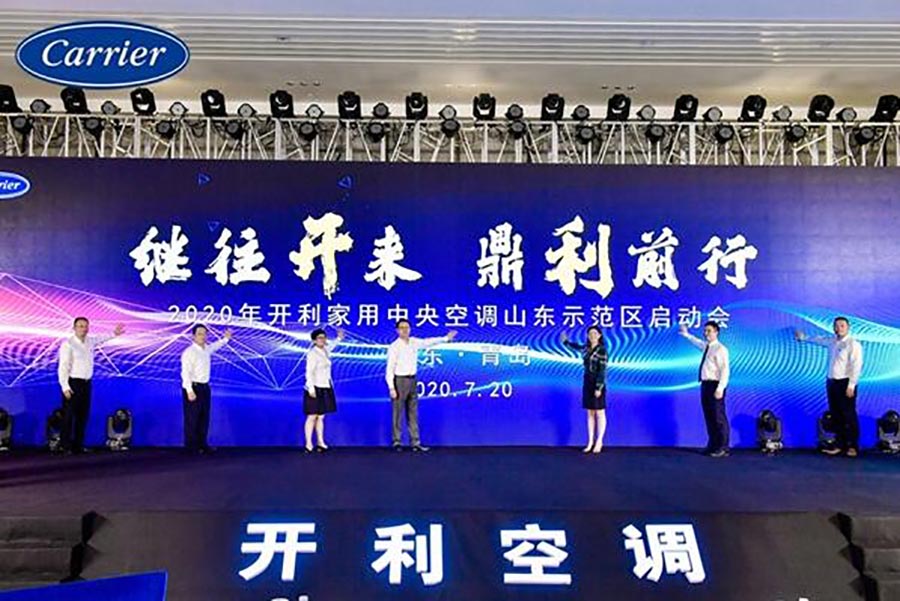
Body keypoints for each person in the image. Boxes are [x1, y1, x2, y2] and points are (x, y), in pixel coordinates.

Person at [795, 317, 863, 457]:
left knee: (848, 415)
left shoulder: (853, 344)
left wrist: (851, 385)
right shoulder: (832, 341)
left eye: (842, 326)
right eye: (836, 326)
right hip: (832, 382)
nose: (839, 328)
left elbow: (856, 366)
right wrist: (803, 338)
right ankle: (839, 445)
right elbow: (818, 340)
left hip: (845, 383)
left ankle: (852, 446)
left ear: (848, 327)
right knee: (836, 414)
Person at [385, 319, 457, 452]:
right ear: (397, 330)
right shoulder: (394, 346)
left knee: (413, 413)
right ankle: (397, 441)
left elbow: (428, 342)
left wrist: (445, 338)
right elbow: (389, 368)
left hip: (412, 380)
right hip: (400, 381)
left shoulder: (414, 342)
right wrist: (391, 387)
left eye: (407, 327)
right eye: (402, 328)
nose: (405, 330)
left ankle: (415, 442)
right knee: (397, 413)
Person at [57, 317, 124, 454]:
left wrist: (114, 334)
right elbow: (63, 367)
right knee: (69, 416)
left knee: (82, 416)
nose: (84, 329)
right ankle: (65, 446)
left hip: (86, 383)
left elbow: (101, 339)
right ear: (74, 328)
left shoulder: (89, 341)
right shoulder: (68, 344)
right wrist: (65, 386)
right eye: (80, 326)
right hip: (73, 383)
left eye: (86, 326)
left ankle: (78, 445)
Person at [679, 321, 731, 457]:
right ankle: (712, 445)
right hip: (706, 385)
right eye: (705, 331)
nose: (706, 333)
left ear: (716, 332)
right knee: (709, 417)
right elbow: (697, 342)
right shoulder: (708, 347)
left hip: (715, 385)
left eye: (709, 331)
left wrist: (720, 388)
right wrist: (686, 334)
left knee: (718, 417)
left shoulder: (720, 349)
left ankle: (723, 447)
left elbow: (725, 370)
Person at [180, 324, 232, 454]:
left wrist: (225, 339)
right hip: (193, 388)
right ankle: (191, 448)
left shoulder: (206, 349)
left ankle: (202, 444)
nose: (203, 336)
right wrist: (189, 390)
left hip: (205, 388)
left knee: (204, 418)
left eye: (205, 334)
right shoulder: (189, 352)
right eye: (199, 334)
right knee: (192, 419)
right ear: (193, 336)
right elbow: (185, 373)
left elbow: (216, 346)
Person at [561, 326, 609, 454]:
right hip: (587, 382)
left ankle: (599, 441)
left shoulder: (602, 350)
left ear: (599, 335)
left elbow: (602, 371)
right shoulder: (586, 348)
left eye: (595, 333)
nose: (592, 336)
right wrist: (566, 342)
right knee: (590, 413)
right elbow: (576, 347)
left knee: (599, 412)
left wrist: (599, 387)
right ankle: (590, 442)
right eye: (590, 334)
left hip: (597, 383)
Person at [303, 327, 345, 453]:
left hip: (325, 386)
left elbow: (332, 346)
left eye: (324, 337)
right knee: (312, 416)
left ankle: (320, 442)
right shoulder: (312, 353)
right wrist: (311, 388)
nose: (322, 340)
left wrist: (339, 338)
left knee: (321, 417)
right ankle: (308, 444)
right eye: (319, 338)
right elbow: (309, 372)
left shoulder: (325, 350)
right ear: (314, 341)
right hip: (314, 387)